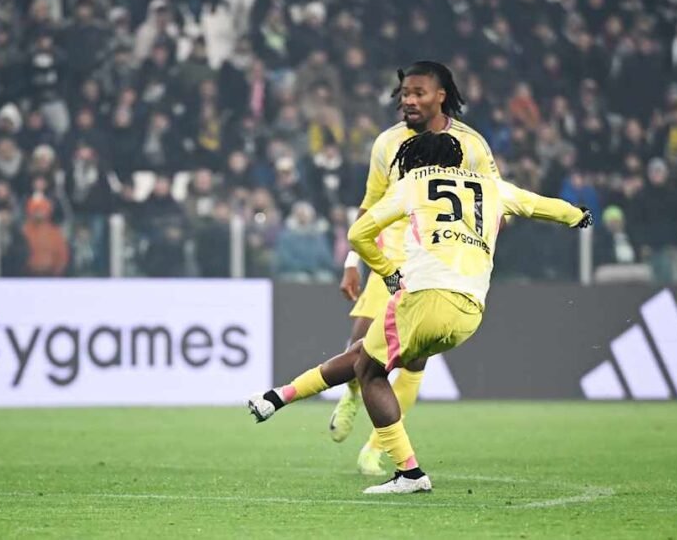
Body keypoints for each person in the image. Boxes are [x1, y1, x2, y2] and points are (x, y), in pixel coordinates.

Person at [248, 132, 592, 494]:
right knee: (363, 355)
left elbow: (358, 234)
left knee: (368, 371)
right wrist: (577, 216)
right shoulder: (493, 186)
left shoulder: (416, 181)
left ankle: (409, 472)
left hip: (425, 297)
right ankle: (277, 398)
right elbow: (540, 206)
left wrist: (388, 273)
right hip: (470, 311)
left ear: (418, 161)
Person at [331, 61, 501, 476]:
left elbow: (495, 200)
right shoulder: (387, 143)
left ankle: (376, 448)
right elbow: (370, 204)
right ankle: (352, 393)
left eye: (418, 93)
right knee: (361, 345)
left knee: (414, 362)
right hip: (390, 255)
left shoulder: (472, 146)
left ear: (440, 96)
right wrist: (353, 262)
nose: (408, 100)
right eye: (405, 93)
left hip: (436, 264)